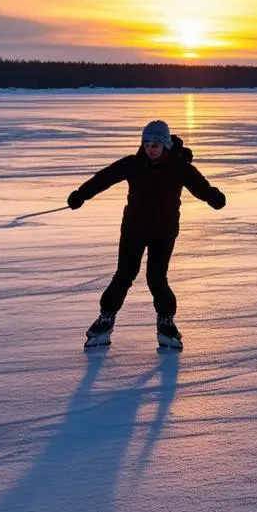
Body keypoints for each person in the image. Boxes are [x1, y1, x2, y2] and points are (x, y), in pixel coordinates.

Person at [67, 119, 226, 349]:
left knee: (156, 278)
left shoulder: (180, 167)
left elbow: (200, 186)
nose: (151, 149)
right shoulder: (133, 164)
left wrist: (213, 197)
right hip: (134, 229)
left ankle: (166, 321)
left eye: (155, 144)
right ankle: (106, 318)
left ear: (165, 144)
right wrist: (81, 194)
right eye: (147, 144)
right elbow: (105, 178)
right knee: (124, 274)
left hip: (164, 231)